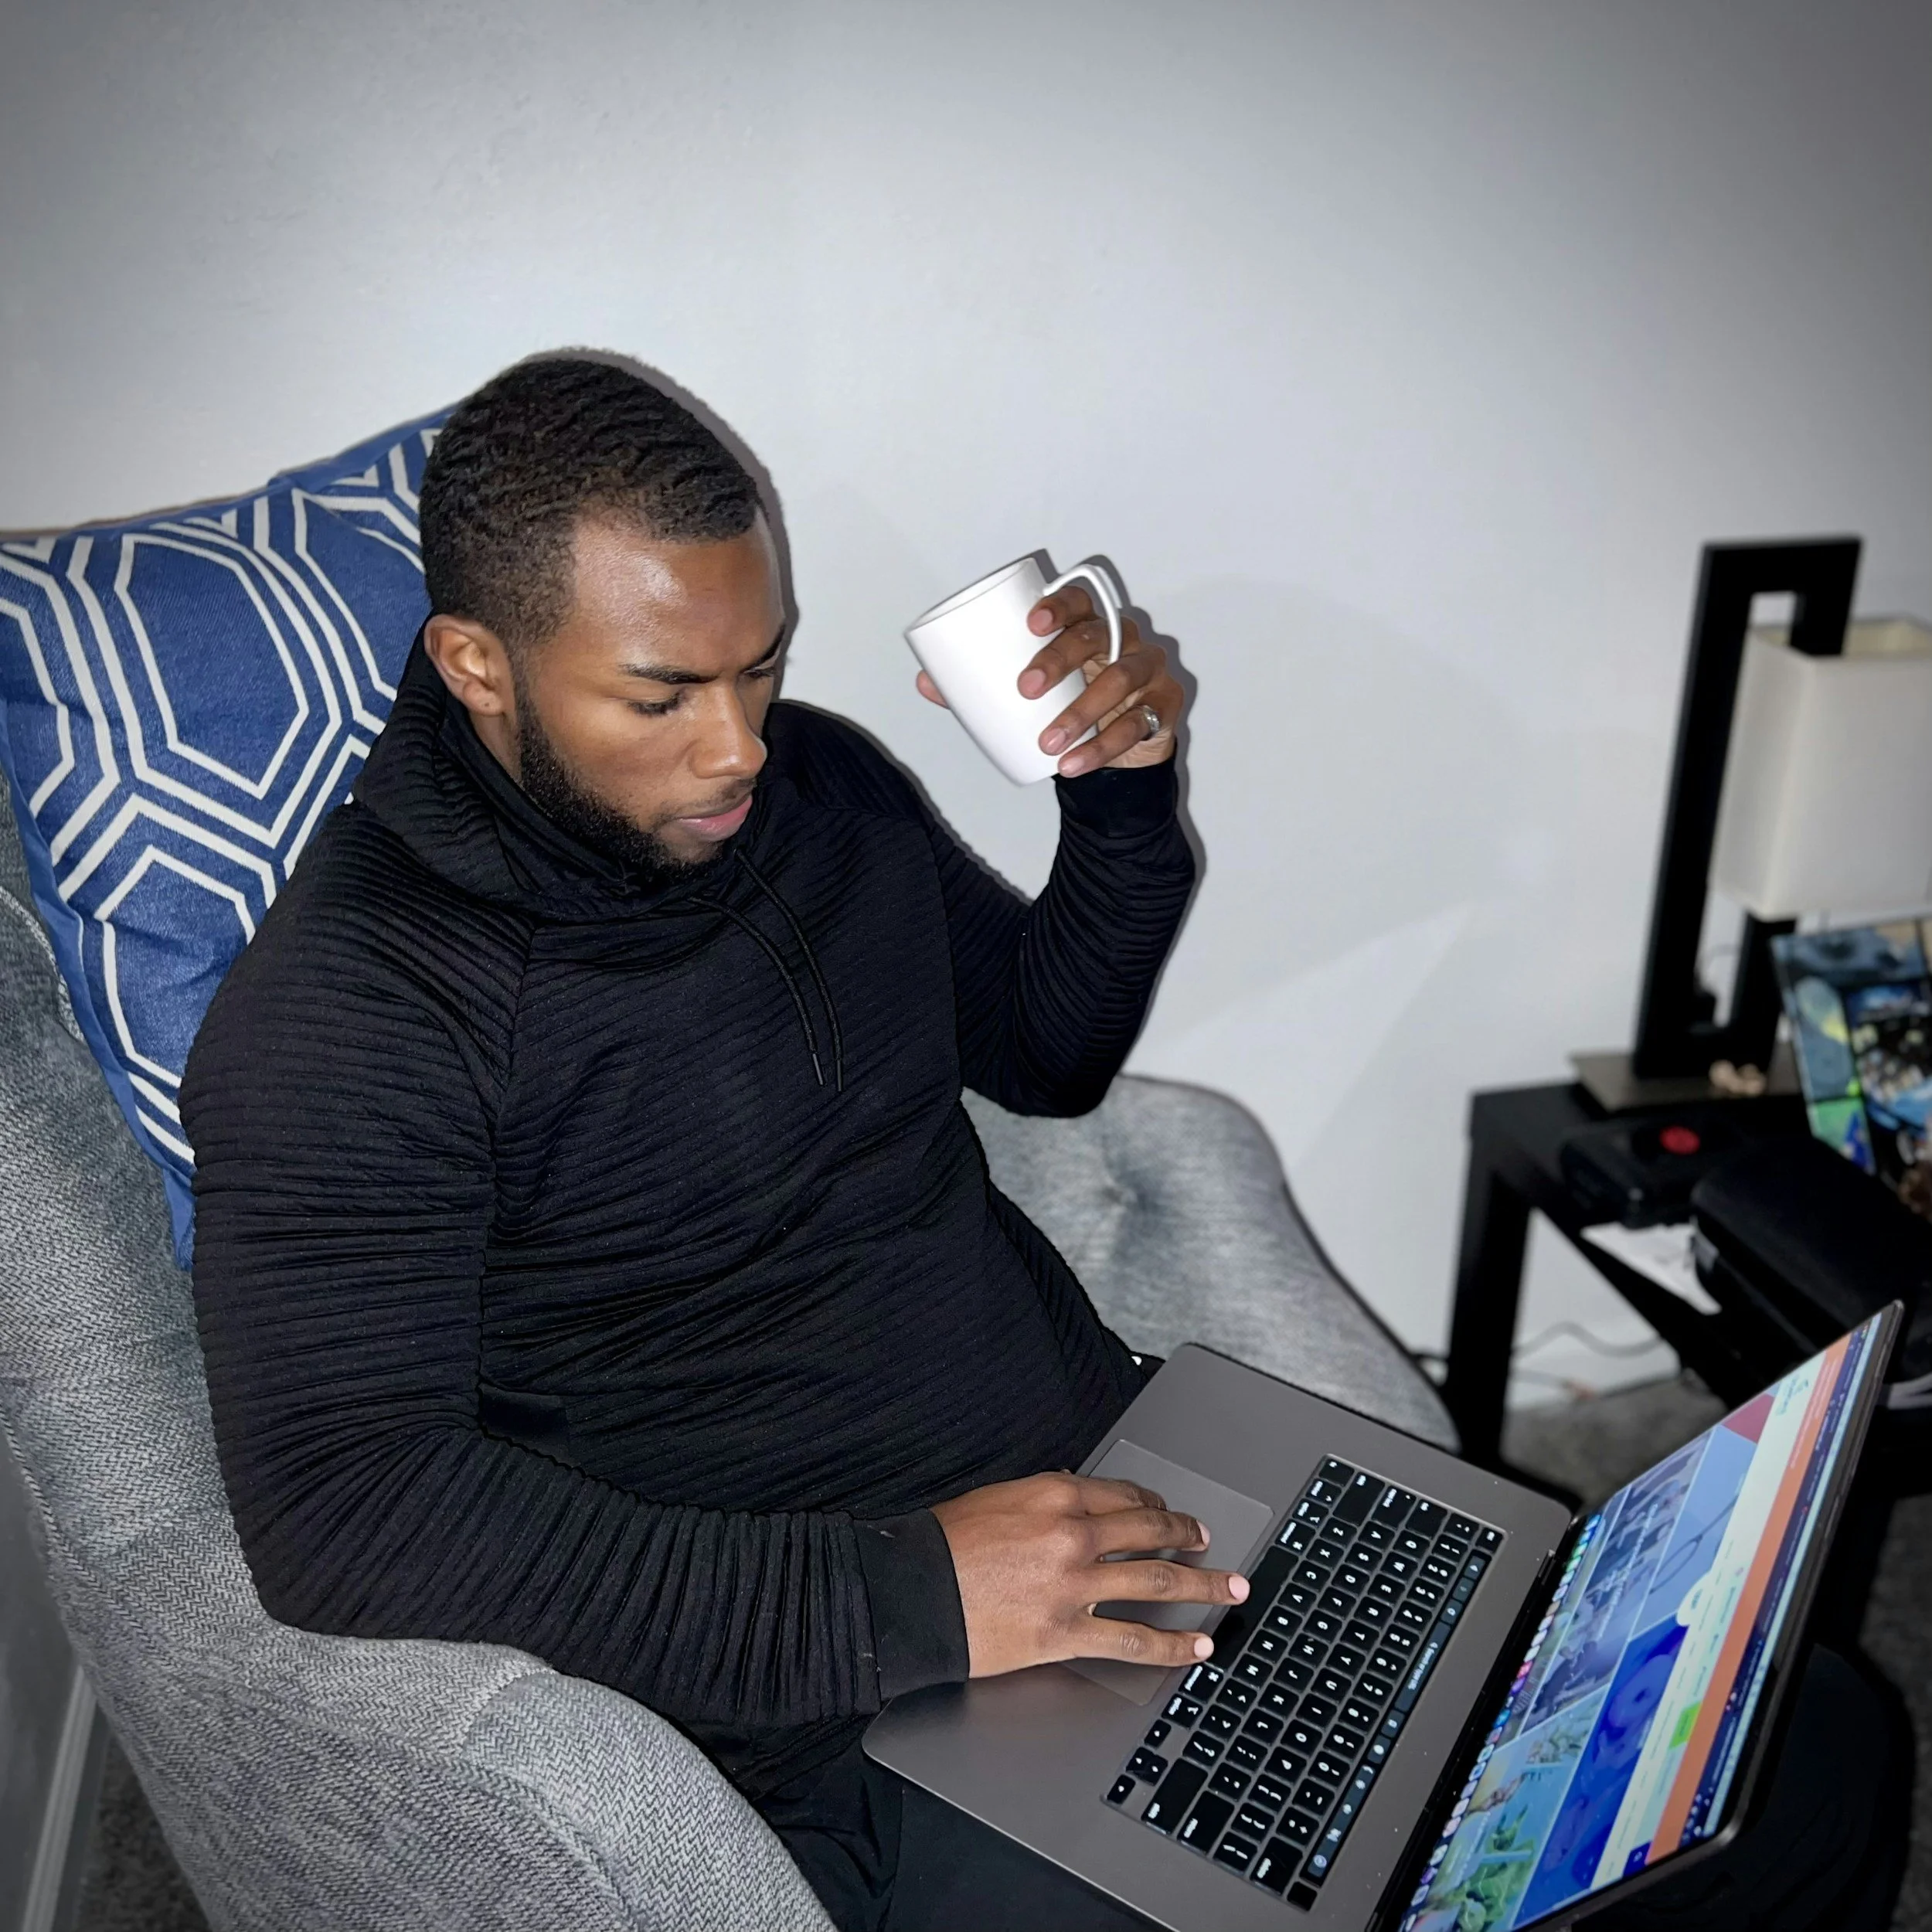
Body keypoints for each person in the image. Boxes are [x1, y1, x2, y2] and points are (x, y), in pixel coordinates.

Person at [180, 353, 1243, 1930]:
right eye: (662, 695)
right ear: (478, 665)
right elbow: (344, 1508)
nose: (739, 743)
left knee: (1523, 1754)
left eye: (759, 667)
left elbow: (1043, 1052)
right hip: (862, 1704)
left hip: (1127, 1485)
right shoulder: (359, 1000)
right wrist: (909, 1600)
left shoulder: (822, 790)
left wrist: (1123, 800)